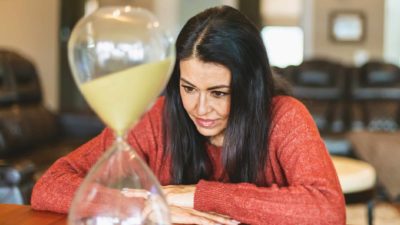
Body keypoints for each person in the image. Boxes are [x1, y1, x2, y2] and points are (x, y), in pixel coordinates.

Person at [31, 5, 345, 225]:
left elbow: (327, 212)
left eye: (219, 93)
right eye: (188, 87)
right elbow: (49, 186)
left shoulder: (286, 117)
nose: (199, 108)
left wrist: (198, 195)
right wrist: (150, 207)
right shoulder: (158, 116)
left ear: (251, 87)